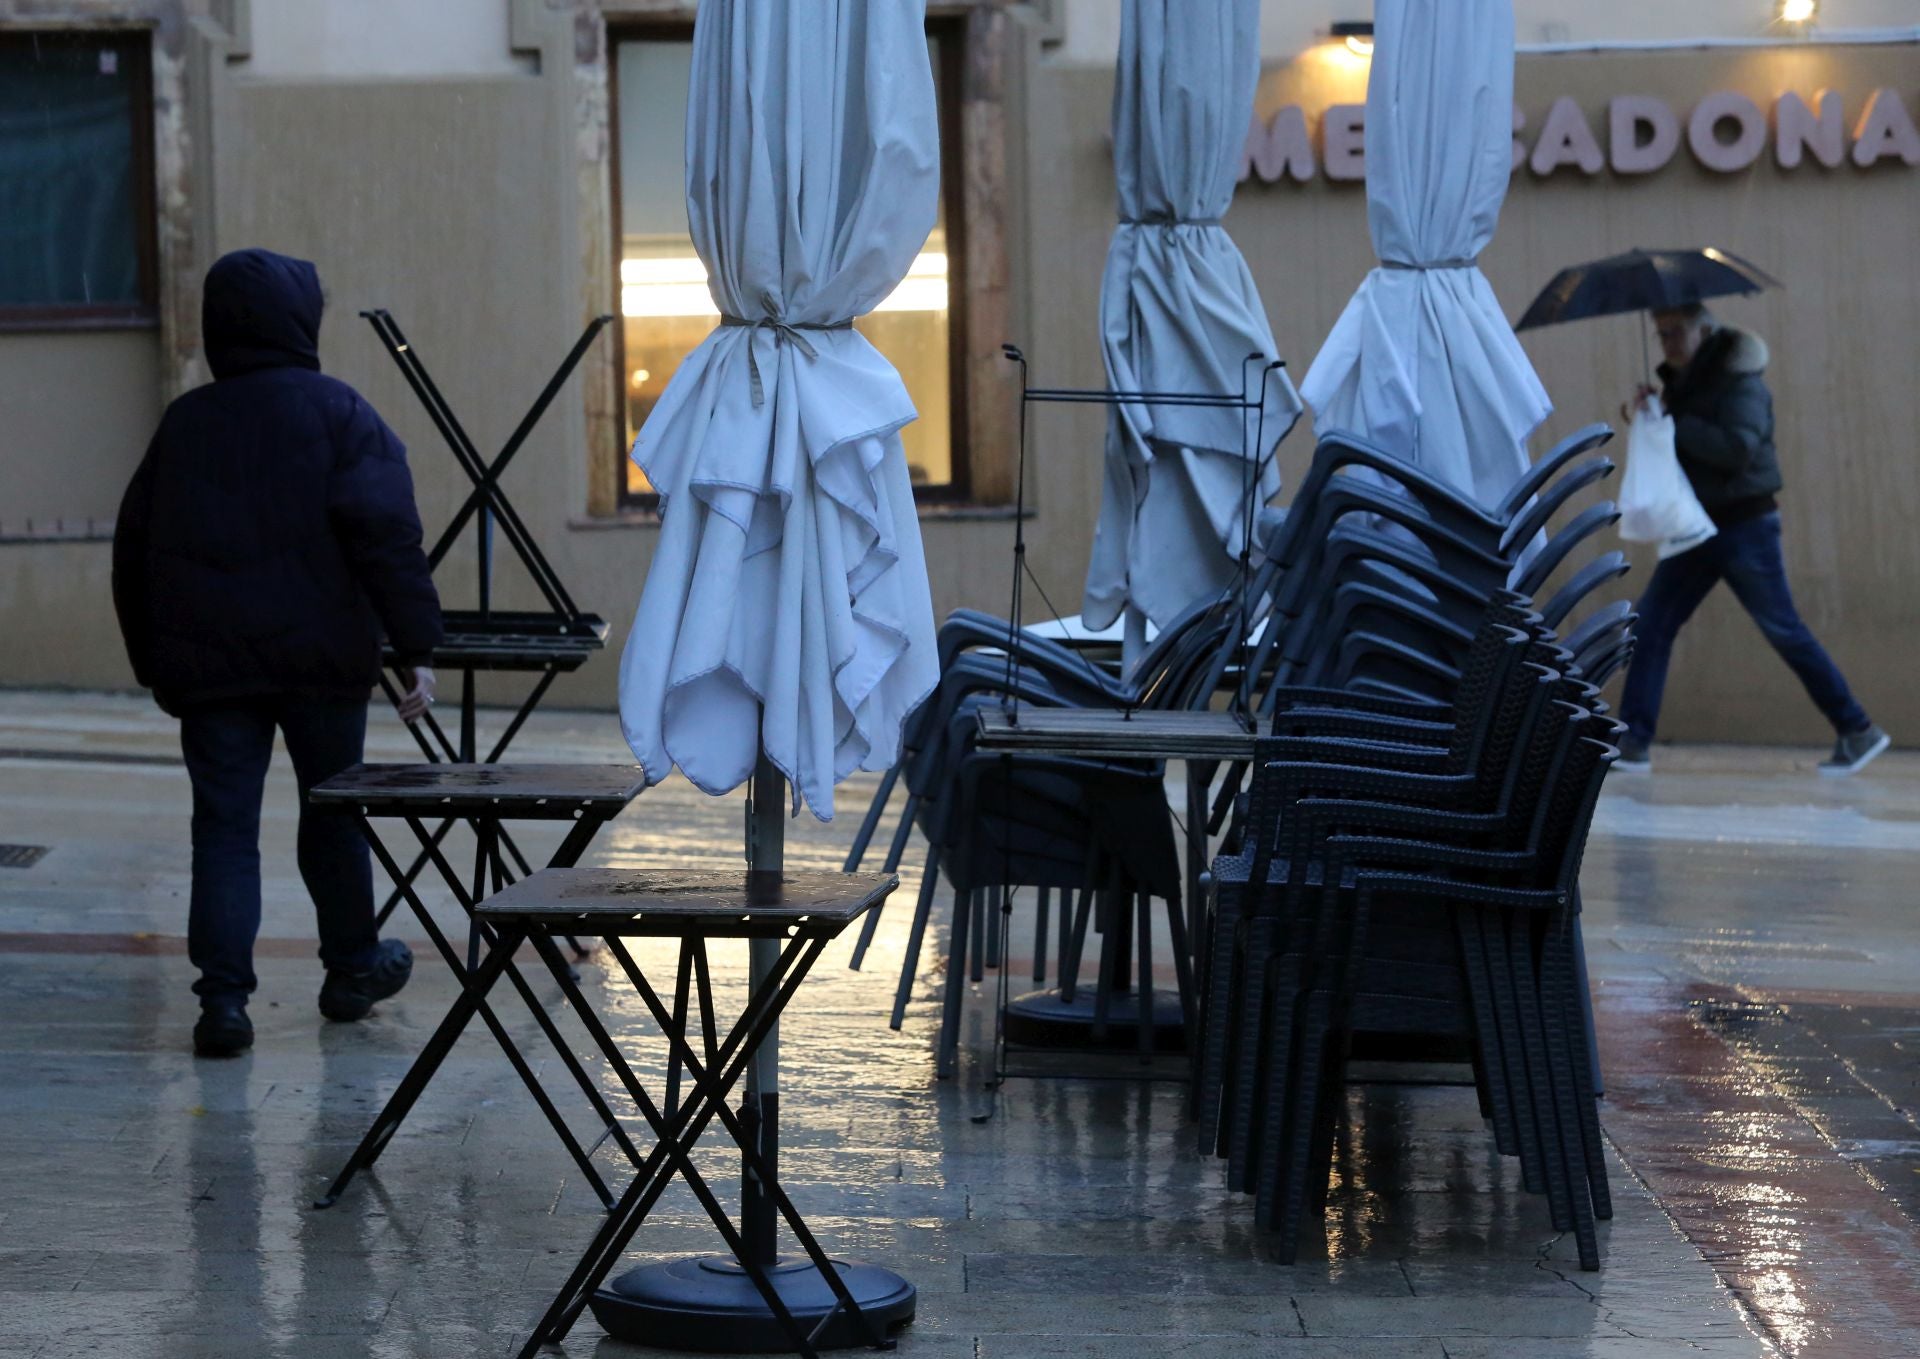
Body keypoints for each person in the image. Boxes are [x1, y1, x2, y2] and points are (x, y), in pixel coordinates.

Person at [113, 248, 443, 1057]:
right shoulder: (340, 413)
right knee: (334, 815)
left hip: (213, 670)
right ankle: (352, 967)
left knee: (223, 830)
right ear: (302, 321)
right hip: (323, 662)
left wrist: (154, 662)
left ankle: (223, 1002)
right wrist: (416, 644)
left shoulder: (186, 424)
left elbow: (132, 549)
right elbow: (386, 534)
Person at [1614, 303, 1888, 776]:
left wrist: (1673, 421)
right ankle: (1632, 744)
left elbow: (1737, 448)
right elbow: (1688, 440)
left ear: (1705, 331)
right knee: (1651, 625)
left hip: (1744, 526)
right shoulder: (1688, 382)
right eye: (1660, 334)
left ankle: (1858, 728)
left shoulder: (1740, 380)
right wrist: (1652, 415)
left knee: (1783, 629)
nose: (1668, 342)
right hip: (1700, 527)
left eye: (1676, 332)